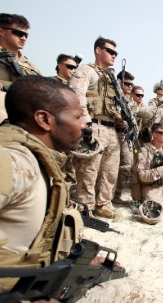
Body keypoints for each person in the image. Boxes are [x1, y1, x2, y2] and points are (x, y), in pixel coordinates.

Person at [0, 75, 85, 295]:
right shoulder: (13, 162)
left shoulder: (37, 159)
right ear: (44, 119)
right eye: (78, 116)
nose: (84, 124)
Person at [69, 36, 123, 218]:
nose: (114, 55)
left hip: (111, 129)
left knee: (110, 171)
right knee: (88, 171)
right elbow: (77, 96)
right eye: (110, 51)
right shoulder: (86, 71)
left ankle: (103, 204)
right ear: (98, 50)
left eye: (116, 53)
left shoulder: (111, 78)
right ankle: (85, 206)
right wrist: (85, 123)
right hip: (94, 126)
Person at [112, 71, 137, 204]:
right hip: (114, 132)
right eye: (126, 84)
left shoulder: (130, 101)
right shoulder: (113, 95)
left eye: (131, 84)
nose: (129, 87)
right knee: (111, 166)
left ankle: (116, 195)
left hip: (127, 136)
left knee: (127, 165)